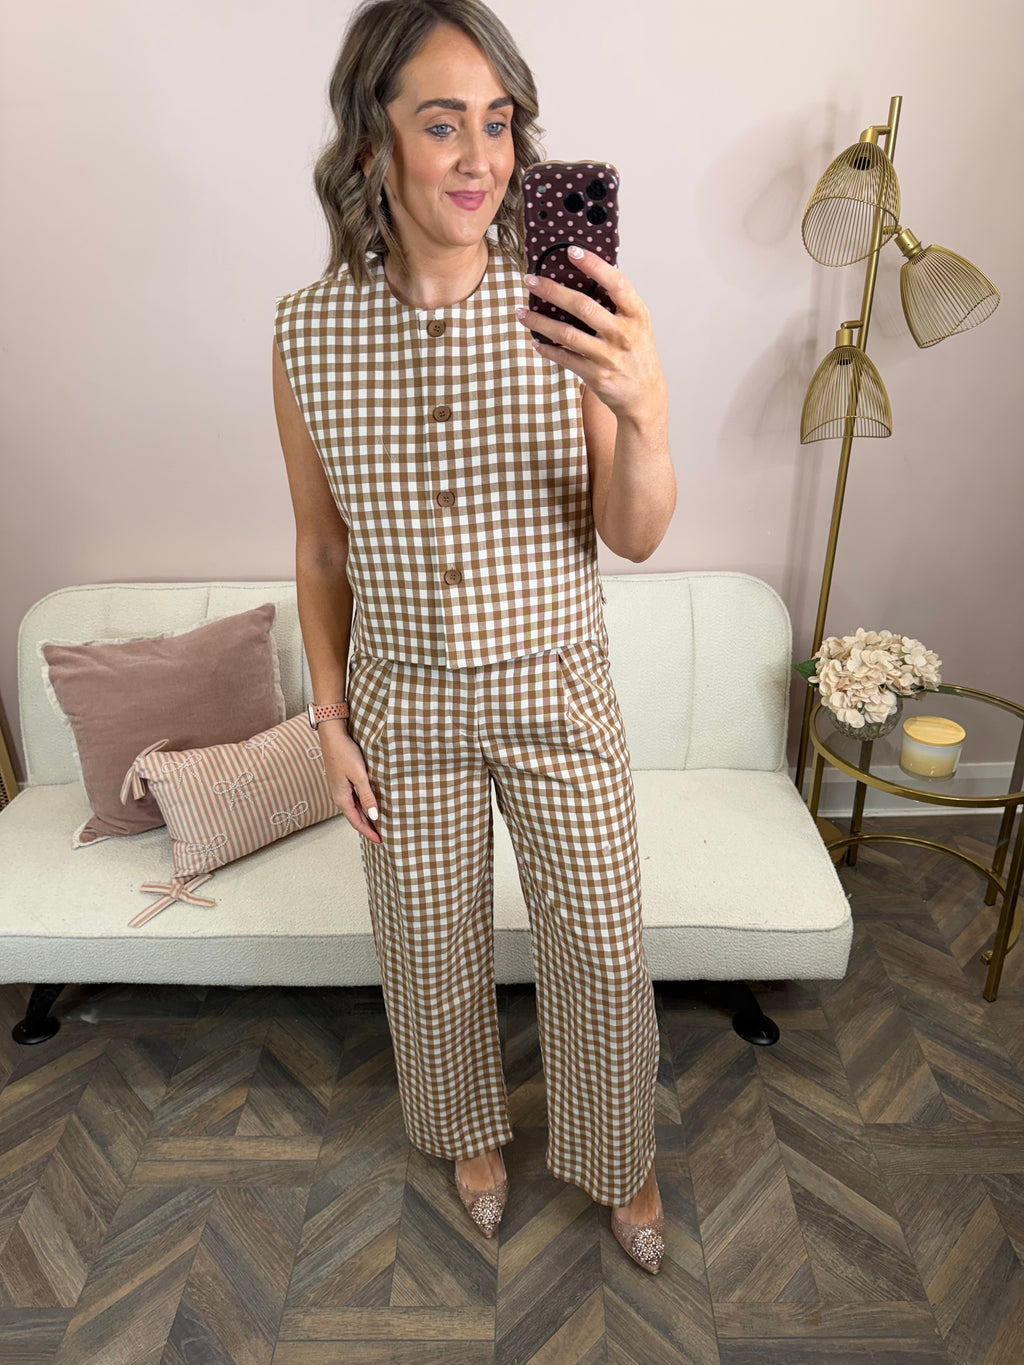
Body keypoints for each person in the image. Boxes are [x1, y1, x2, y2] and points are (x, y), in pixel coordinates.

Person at [272, 0, 676, 1274]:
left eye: (497, 124)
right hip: (401, 700)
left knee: (599, 945)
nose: (480, 158)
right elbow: (321, 550)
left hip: (557, 686)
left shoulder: (568, 308)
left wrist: (642, 407)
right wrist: (329, 720)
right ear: (372, 140)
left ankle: (619, 1152)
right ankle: (465, 1134)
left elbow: (635, 536)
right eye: (441, 123)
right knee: (426, 948)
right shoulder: (306, 333)